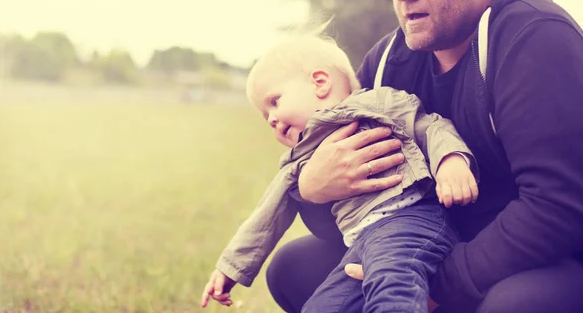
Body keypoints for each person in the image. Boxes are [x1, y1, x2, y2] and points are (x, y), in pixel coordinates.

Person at [265, 0, 583, 312]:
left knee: (515, 305)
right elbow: (348, 219)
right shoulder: (386, 62)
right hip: (421, 240)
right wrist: (312, 188)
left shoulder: (536, 38)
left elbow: (559, 209)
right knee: (295, 268)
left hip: (545, 261)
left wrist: (438, 284)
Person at [200, 33, 479, 312]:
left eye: (274, 101)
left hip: (414, 217)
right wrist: (230, 268)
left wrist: (451, 160)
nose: (271, 119)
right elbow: (265, 217)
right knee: (324, 306)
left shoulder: (377, 104)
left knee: (391, 288)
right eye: (264, 116)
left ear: (320, 83)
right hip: (361, 242)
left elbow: (431, 127)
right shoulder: (299, 160)